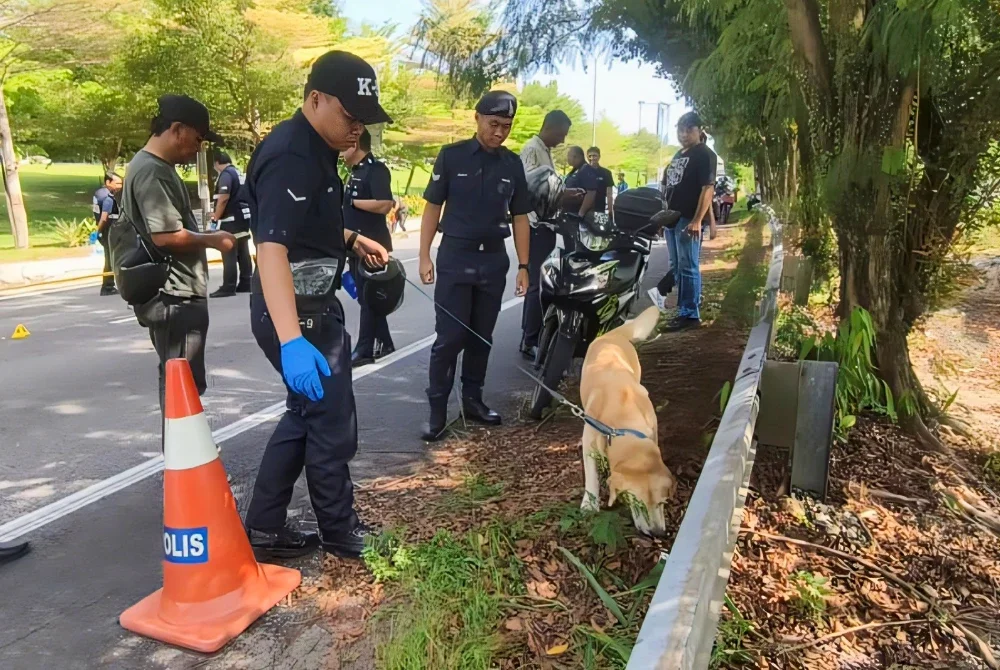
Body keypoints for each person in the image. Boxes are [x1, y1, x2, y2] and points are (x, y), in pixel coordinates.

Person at [242, 50, 391, 561]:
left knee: (305, 415)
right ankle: (340, 530)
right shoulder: (292, 154)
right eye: (350, 116)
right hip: (297, 314)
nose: (357, 129)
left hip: (312, 304)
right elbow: (272, 249)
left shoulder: (320, 148)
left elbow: (308, 225)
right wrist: (291, 341)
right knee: (330, 422)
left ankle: (264, 527)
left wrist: (351, 239)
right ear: (315, 100)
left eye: (364, 120)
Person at [418, 90, 532, 441]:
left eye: (506, 127)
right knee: (450, 337)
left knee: (482, 336)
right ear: (477, 118)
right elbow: (433, 207)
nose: (499, 132)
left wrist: (524, 265)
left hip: (493, 260)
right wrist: (424, 255)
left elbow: (521, 216)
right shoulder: (451, 157)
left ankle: (473, 400)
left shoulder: (512, 164)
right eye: (493, 124)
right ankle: (437, 410)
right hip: (456, 256)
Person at [123, 95, 236, 409]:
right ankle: (182, 442)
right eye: (198, 139)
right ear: (177, 130)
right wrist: (213, 240)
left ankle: (182, 441)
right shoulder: (152, 171)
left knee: (180, 382)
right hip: (176, 295)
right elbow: (165, 235)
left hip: (175, 294)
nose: (199, 148)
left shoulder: (152, 166)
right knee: (183, 385)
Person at [648, 112, 717, 331]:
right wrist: (662, 219)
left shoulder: (705, 155)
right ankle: (685, 308)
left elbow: (707, 189)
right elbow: (668, 189)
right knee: (677, 267)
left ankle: (690, 314)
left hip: (688, 219)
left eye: (689, 129)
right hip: (672, 219)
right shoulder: (678, 155)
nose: (684, 134)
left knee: (688, 266)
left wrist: (698, 220)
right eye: (680, 130)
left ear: (699, 130)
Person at [518, 109, 572, 359]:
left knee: (542, 283)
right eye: (561, 134)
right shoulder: (532, 150)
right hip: (535, 227)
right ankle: (530, 339)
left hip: (546, 226)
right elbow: (532, 189)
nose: (562, 140)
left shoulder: (544, 150)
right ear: (549, 127)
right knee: (537, 286)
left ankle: (531, 335)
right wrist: (564, 195)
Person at [342, 128, 396, 367]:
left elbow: (385, 204)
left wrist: (354, 203)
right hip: (355, 246)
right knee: (368, 299)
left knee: (368, 298)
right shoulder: (355, 171)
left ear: (355, 144)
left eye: (345, 145)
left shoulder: (376, 170)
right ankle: (385, 341)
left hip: (371, 245)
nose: (341, 151)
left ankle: (365, 348)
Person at [209, 151, 253, 297]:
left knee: (228, 250)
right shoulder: (238, 173)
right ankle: (246, 282)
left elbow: (223, 198)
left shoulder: (226, 175)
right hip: (243, 217)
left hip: (231, 219)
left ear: (217, 163)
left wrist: (216, 216)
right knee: (243, 250)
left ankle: (228, 286)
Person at [93, 172, 122, 296]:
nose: (120, 186)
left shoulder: (99, 193)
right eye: (117, 183)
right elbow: (104, 217)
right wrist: (97, 232)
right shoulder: (108, 197)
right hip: (109, 230)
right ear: (108, 182)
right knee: (110, 259)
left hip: (105, 231)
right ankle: (107, 286)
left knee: (110, 258)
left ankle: (109, 284)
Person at [565, 146, 601, 217]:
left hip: (577, 215)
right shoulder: (576, 170)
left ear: (577, 157)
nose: (567, 158)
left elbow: (591, 193)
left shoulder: (586, 170)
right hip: (569, 213)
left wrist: (580, 214)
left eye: (569, 155)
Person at [587, 146, 615, 219]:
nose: (592, 158)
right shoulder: (582, 172)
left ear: (599, 157)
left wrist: (610, 211)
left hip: (599, 209)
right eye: (590, 156)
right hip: (584, 210)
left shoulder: (606, 173)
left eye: (594, 156)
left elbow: (609, 194)